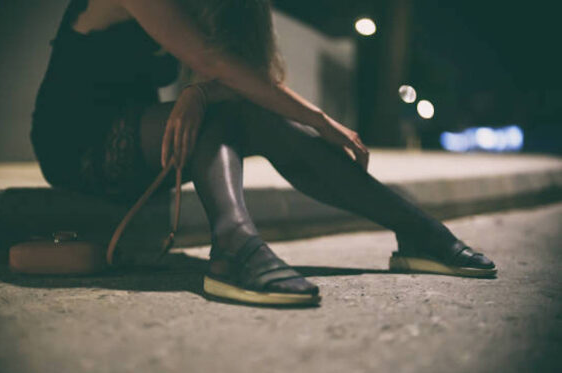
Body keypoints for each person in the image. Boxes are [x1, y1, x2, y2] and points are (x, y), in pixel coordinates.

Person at [30, 0, 496, 306]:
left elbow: (231, 77)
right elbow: (214, 65)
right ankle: (233, 246)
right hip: (79, 143)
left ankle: (415, 231)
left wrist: (201, 93)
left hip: (146, 140)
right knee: (229, 114)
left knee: (257, 117)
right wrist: (321, 119)